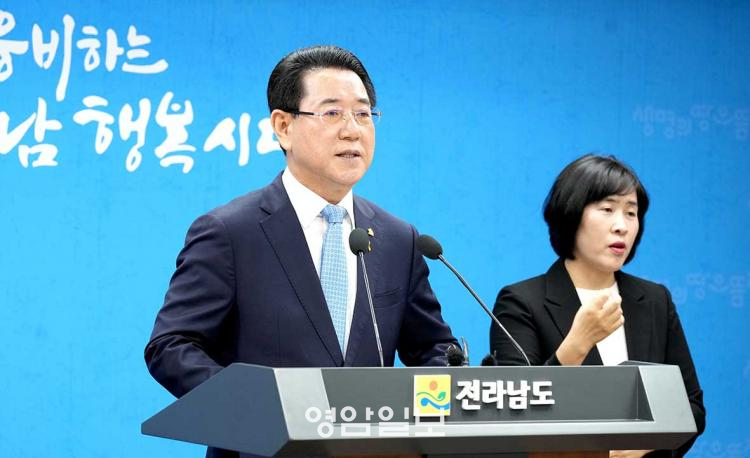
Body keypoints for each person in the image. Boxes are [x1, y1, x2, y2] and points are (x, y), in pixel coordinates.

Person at [145, 45, 457, 457]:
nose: (352, 130)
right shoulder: (230, 232)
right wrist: (257, 411)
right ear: (283, 127)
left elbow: (434, 349)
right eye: (332, 113)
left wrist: (426, 414)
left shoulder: (398, 239)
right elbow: (172, 346)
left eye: (363, 114)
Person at [490, 154, 705, 458]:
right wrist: (576, 345)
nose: (622, 226)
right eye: (607, 209)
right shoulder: (521, 301)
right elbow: (513, 412)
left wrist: (649, 443)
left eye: (631, 213)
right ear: (571, 214)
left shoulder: (655, 299)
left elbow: (691, 406)